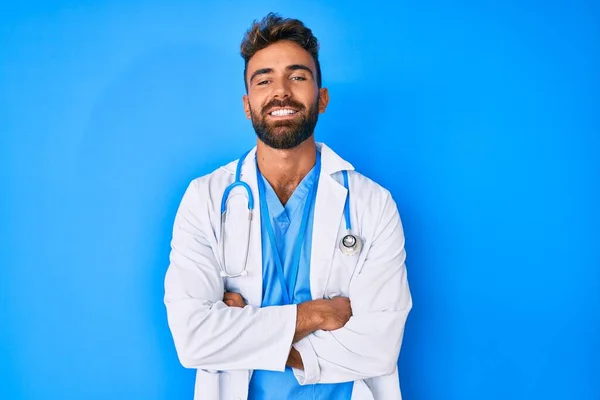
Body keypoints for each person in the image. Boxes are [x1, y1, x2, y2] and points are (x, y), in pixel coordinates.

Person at [164, 12, 412, 400]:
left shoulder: (372, 204)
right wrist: (314, 315)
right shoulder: (205, 199)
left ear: (322, 98)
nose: (281, 92)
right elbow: (193, 339)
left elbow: (379, 348)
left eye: (298, 77)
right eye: (264, 80)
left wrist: (243, 333)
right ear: (248, 104)